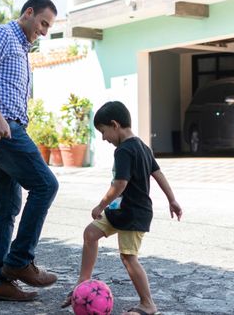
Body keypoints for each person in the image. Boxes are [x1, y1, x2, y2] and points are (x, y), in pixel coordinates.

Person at [0, 0, 59, 302]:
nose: (45, 31)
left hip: (0, 134)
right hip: (2, 129)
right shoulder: (2, 35)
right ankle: (19, 261)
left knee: (6, 206)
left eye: (49, 27)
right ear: (28, 13)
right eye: (43, 23)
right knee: (46, 185)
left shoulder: (22, 49)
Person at [61, 101, 183, 315]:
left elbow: (120, 184)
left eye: (103, 131)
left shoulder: (124, 150)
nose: (103, 138)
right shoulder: (142, 146)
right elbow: (159, 174)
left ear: (115, 125)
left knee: (128, 257)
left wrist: (101, 204)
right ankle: (83, 283)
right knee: (90, 233)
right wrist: (172, 199)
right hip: (121, 211)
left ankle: (148, 304)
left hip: (134, 213)